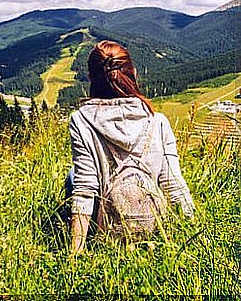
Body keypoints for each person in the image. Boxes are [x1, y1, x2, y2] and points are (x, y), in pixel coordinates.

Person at [67, 40, 195, 253]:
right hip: (154, 227)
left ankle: (93, 236)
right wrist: (194, 231)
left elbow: (85, 189)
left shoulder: (81, 120)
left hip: (109, 229)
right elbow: (173, 184)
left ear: (92, 78)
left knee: (73, 176)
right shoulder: (158, 121)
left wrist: (75, 253)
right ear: (132, 73)